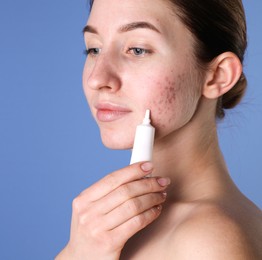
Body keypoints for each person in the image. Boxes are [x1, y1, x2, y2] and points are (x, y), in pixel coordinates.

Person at [56, 0, 262, 259]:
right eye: (94, 49)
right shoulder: (108, 231)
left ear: (218, 75)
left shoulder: (209, 241)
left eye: (138, 50)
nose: (98, 78)